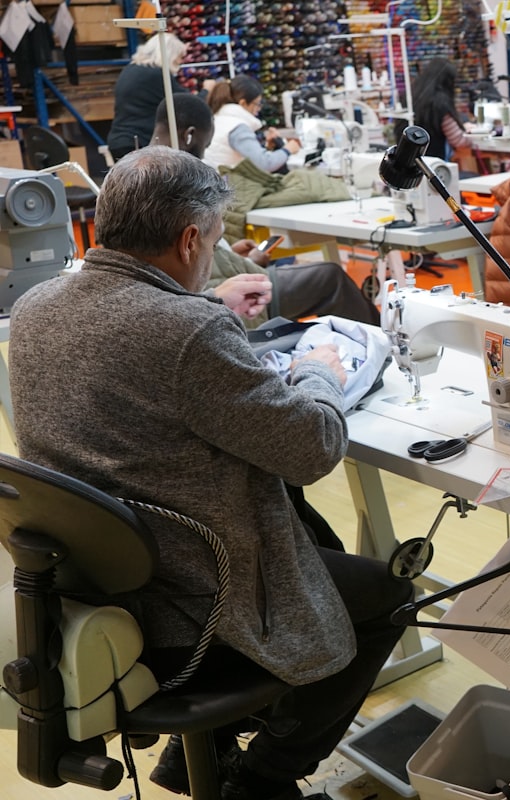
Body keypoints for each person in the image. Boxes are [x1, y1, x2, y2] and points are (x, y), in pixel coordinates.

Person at [7, 147, 412, 800]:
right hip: (197, 608)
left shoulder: (37, 306)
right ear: (191, 237)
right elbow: (313, 447)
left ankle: (190, 758)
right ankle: (261, 781)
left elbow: (141, 354)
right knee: (387, 598)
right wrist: (319, 372)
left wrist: (206, 305)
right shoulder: (190, 331)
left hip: (98, 586)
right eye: (216, 238)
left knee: (313, 537)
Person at [151, 94, 380, 326]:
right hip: (215, 295)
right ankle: (385, 350)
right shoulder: (179, 182)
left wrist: (230, 254)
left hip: (205, 285)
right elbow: (192, 264)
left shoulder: (135, 175)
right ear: (189, 135)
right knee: (331, 278)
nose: (204, 155)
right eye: (205, 145)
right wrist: (240, 263)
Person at [106, 33, 189, 160]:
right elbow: (188, 104)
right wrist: (207, 90)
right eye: (179, 57)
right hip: (139, 143)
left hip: (121, 140)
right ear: (169, 55)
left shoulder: (131, 69)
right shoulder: (157, 75)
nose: (179, 62)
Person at [205, 75, 300, 173]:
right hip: (230, 184)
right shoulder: (237, 127)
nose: (259, 109)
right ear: (243, 103)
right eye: (257, 104)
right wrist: (287, 150)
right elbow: (265, 164)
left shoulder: (217, 119)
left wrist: (267, 148)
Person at [404, 57, 473, 163]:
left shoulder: (411, 95)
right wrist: (477, 137)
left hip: (411, 159)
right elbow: (458, 140)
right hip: (434, 162)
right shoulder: (440, 102)